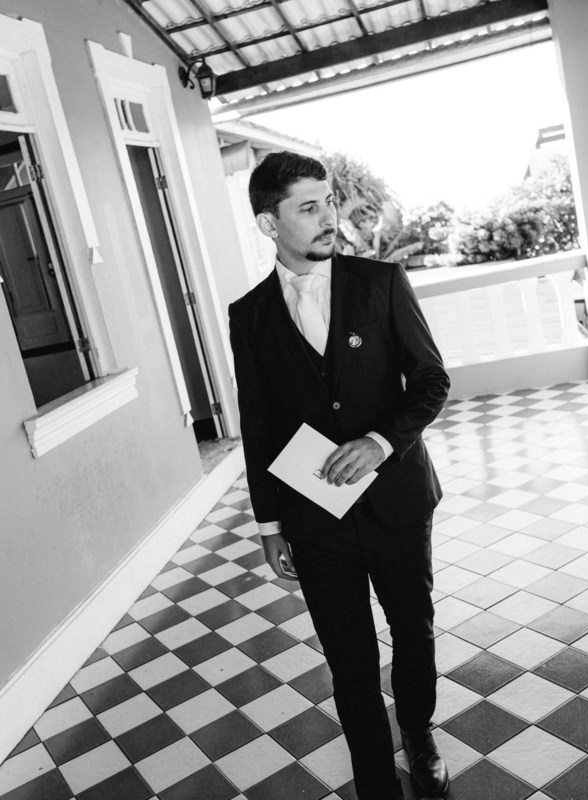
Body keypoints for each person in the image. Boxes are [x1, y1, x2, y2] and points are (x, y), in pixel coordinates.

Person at [228, 151, 451, 799]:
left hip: (396, 502)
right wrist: (270, 524)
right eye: (308, 207)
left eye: (327, 201)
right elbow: (259, 426)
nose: (328, 217)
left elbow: (431, 381)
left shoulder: (381, 283)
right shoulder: (249, 316)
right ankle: (374, 779)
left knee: (412, 631)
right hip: (314, 518)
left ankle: (419, 734)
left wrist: (380, 443)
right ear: (269, 224)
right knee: (348, 656)